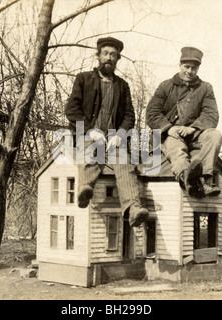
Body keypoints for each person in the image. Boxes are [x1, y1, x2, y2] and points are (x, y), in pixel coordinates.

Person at [65, 37, 148, 227]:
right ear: (98, 56)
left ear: (118, 58)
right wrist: (90, 130)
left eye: (113, 55)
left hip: (112, 139)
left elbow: (129, 115)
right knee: (89, 151)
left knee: (125, 163)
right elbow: (71, 110)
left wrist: (120, 134)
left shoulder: (122, 85)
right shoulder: (83, 79)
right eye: (105, 54)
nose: (108, 58)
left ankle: (133, 209)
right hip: (88, 134)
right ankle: (85, 190)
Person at [146, 46, 222, 198]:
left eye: (194, 68)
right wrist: (169, 128)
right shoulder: (165, 86)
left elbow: (211, 114)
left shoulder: (205, 88)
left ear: (198, 69)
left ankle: (206, 180)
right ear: (179, 65)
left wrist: (193, 128)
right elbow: (152, 113)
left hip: (194, 134)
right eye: (186, 66)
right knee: (177, 148)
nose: (189, 71)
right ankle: (187, 179)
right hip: (169, 134)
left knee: (215, 135)